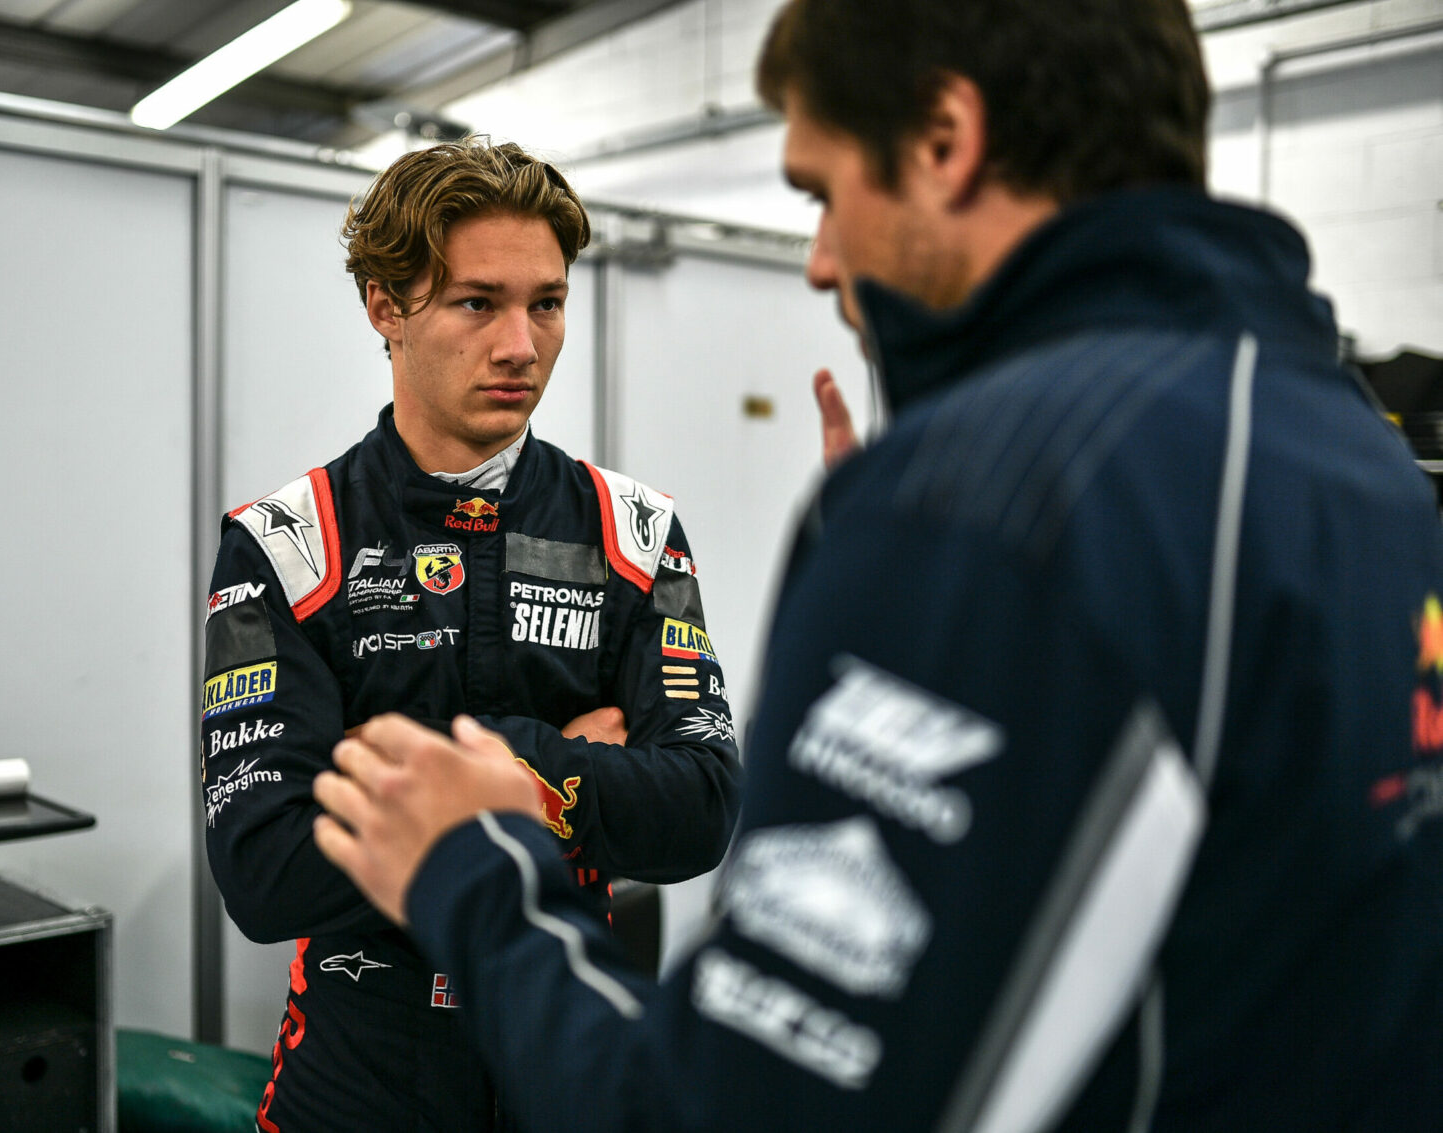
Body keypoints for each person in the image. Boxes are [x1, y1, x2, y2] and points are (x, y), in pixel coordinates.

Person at [308, 0, 1443, 1129]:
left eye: (822, 194)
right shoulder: (1359, 458)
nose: (817, 263)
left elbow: (734, 1109)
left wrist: (474, 859)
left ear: (944, 141)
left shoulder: (986, 506)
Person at [200, 139, 741, 1132]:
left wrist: (449, 772)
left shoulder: (635, 533)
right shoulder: (284, 543)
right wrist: (573, 766)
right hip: (356, 1088)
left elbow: (703, 808)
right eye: (477, 303)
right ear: (385, 306)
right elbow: (264, 868)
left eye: (547, 303)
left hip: (572, 1072)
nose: (520, 345)